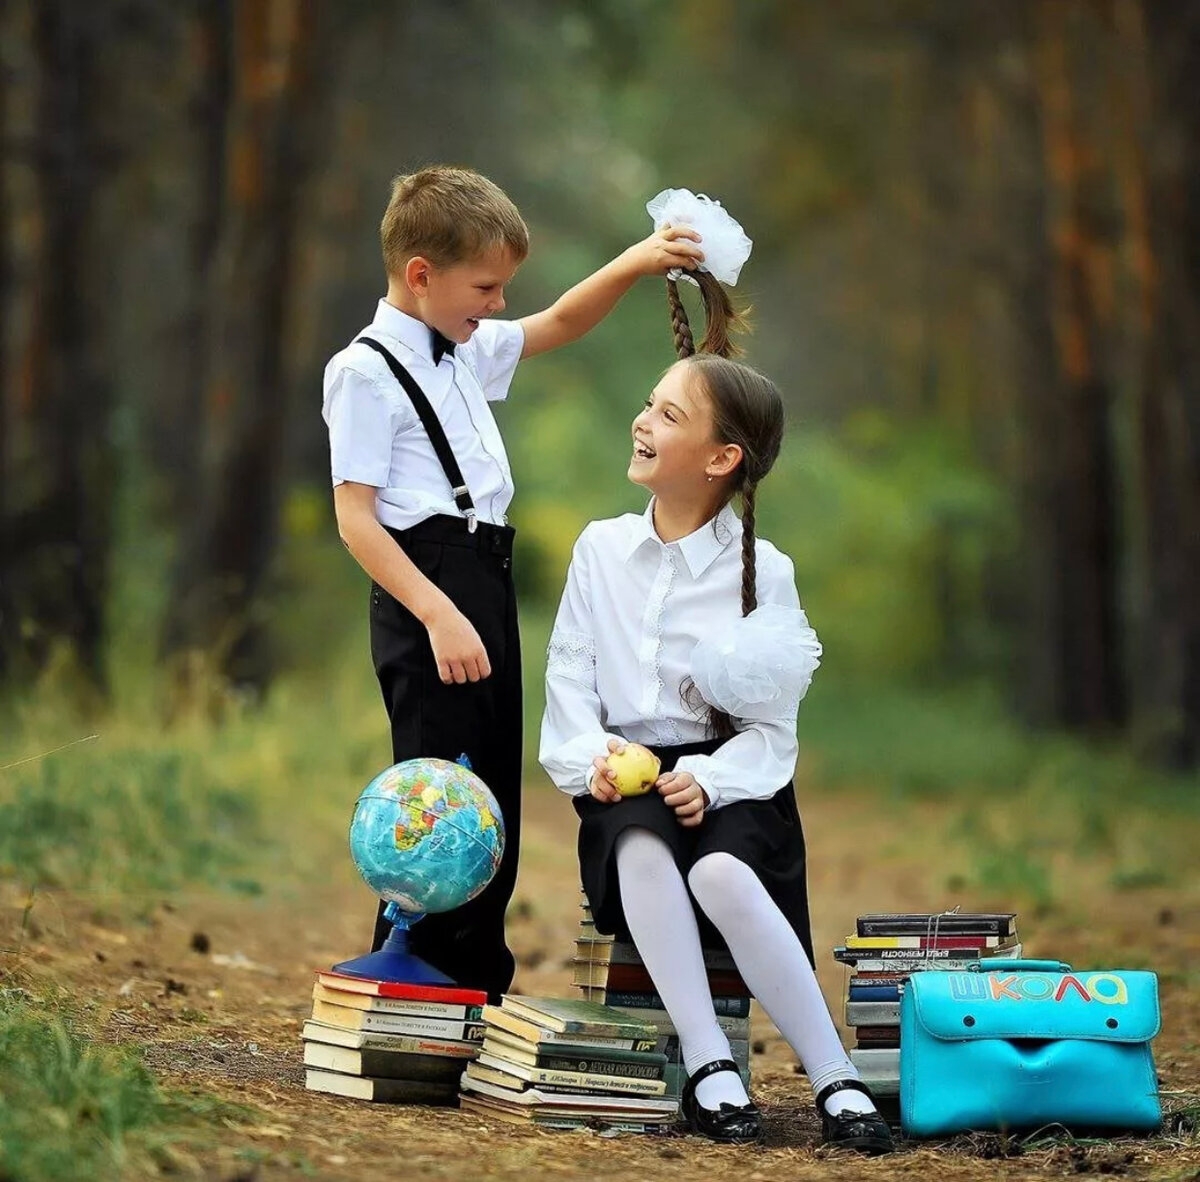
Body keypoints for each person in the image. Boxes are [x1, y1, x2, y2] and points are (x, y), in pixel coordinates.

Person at [323, 166, 703, 1003]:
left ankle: (473, 980)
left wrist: (638, 260)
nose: (496, 304)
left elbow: (561, 320)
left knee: (489, 788)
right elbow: (356, 519)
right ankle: (416, 976)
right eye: (485, 286)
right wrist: (436, 613)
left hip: (480, 577)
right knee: (436, 795)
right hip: (430, 588)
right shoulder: (365, 372)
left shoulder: (458, 344)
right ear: (421, 274)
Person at [538, 287, 895, 1153]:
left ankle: (834, 1074)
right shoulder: (599, 551)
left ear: (721, 457)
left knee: (725, 877)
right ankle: (708, 1064)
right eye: (648, 405)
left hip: (731, 775)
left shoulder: (763, 571)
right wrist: (592, 756)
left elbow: (772, 733)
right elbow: (569, 683)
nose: (643, 420)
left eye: (668, 413)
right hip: (624, 771)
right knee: (641, 843)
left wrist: (713, 778)